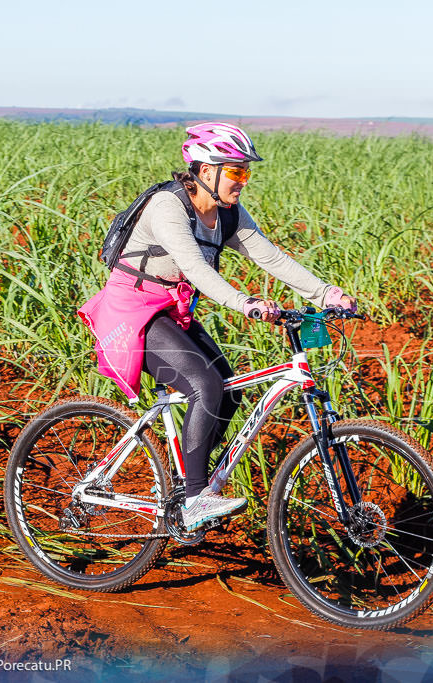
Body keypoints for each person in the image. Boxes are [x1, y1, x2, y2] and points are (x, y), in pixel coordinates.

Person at [78, 122, 357, 531]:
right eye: (237, 171)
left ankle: (192, 485)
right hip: (132, 310)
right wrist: (247, 304)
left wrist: (327, 294)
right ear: (206, 171)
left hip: (172, 311)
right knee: (203, 385)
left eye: (246, 172)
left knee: (226, 391)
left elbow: (272, 259)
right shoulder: (168, 206)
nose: (243, 181)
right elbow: (193, 267)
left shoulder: (228, 215)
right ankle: (193, 499)